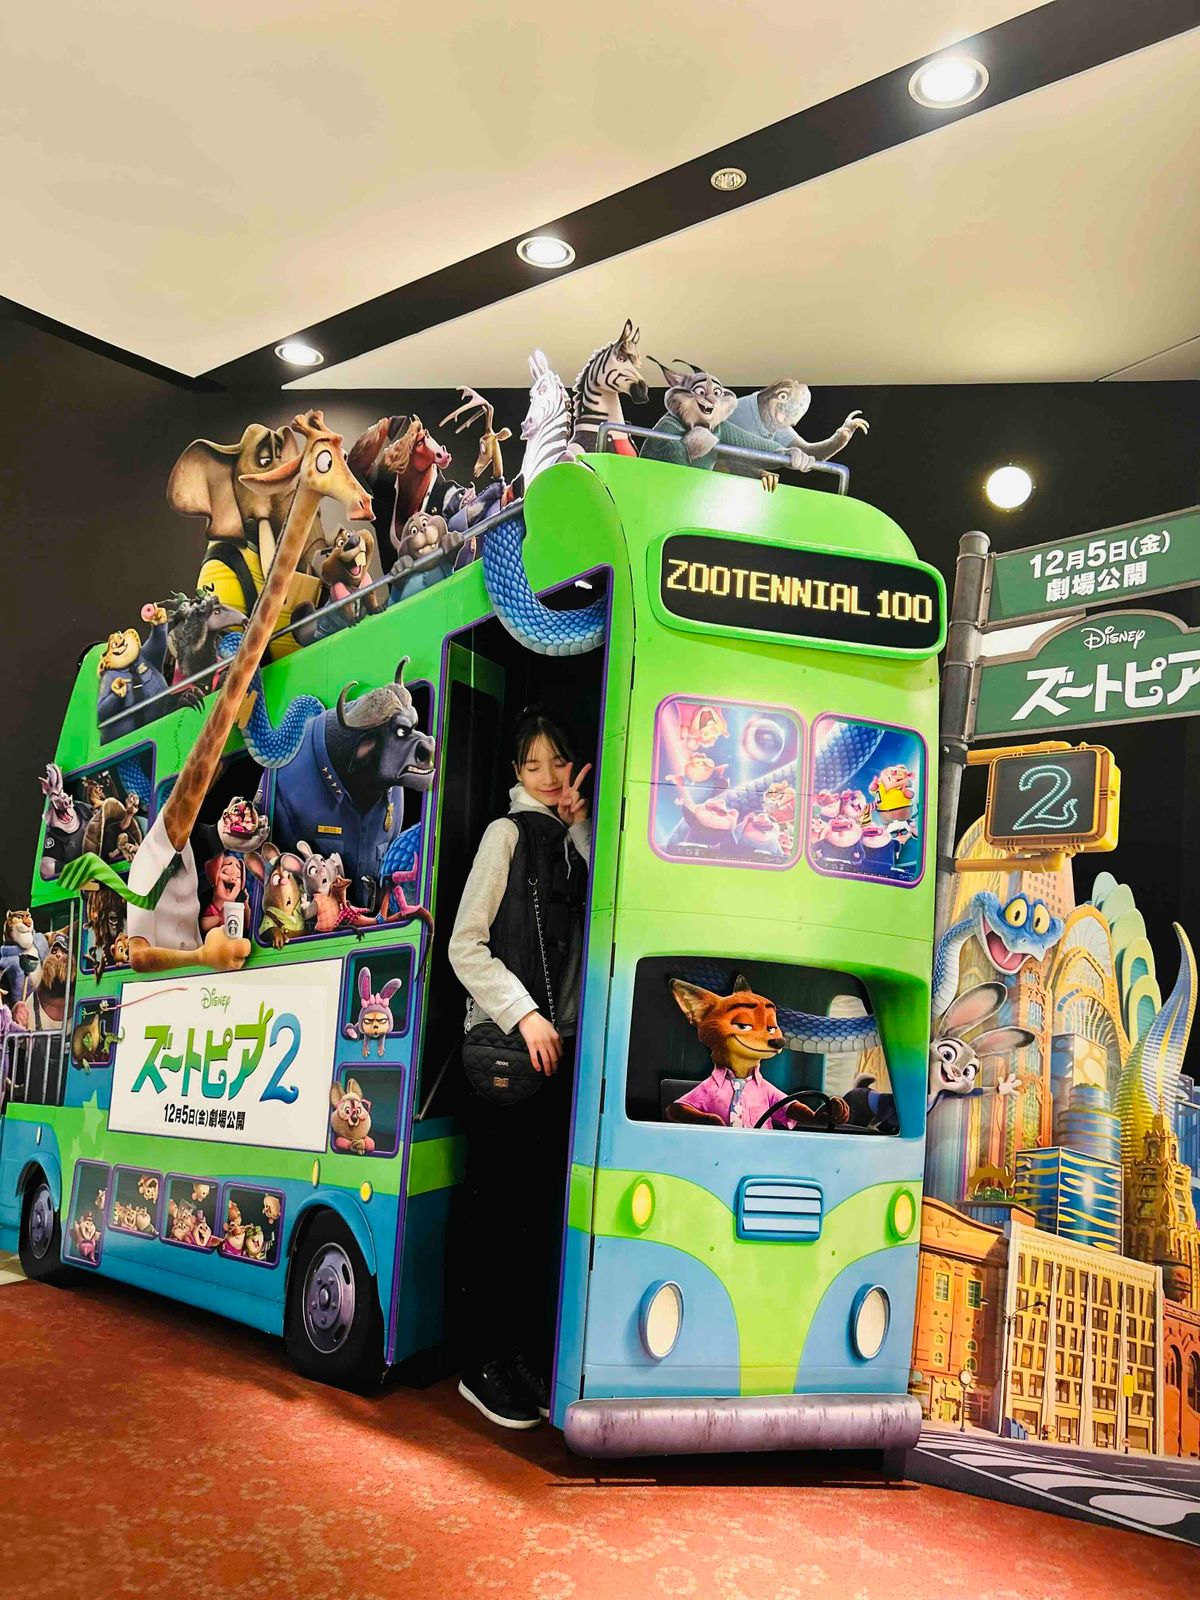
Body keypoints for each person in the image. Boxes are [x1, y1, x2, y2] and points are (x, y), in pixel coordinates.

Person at [448, 708, 592, 1430]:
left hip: (557, 1057)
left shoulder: (572, 843)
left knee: (535, 1219)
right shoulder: (504, 835)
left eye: (558, 762)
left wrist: (581, 830)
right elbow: (464, 945)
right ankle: (480, 1364)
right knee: (496, 1214)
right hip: (508, 1054)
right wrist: (525, 1014)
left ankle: (519, 1357)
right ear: (515, 773)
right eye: (533, 765)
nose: (548, 776)